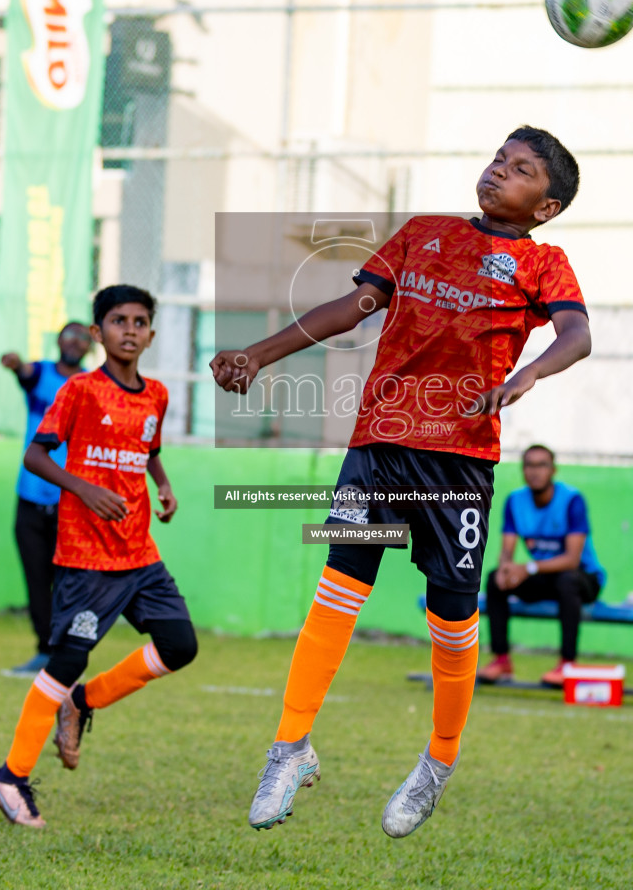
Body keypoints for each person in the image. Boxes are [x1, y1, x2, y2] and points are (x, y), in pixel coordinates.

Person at [214, 126, 592, 838]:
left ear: (546, 207)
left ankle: (438, 763)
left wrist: (530, 372)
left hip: (459, 465)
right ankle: (289, 747)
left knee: (450, 624)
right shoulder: (423, 234)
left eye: (520, 172)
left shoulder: (543, 263)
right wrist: (258, 354)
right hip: (378, 445)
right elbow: (348, 308)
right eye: (496, 160)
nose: (497, 174)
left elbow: (577, 334)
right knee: (337, 591)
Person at [0, 285, 193, 829]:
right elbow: (35, 454)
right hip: (86, 556)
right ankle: (10, 777)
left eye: (140, 321)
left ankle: (84, 702)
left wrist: (163, 486)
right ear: (99, 333)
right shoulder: (80, 390)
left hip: (140, 552)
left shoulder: (157, 395)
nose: (130, 329)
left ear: (150, 333)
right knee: (66, 659)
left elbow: (149, 450)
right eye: (118, 320)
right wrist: (82, 488)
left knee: (179, 645)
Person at [0, 322, 93, 673]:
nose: (74, 342)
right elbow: (24, 372)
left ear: (89, 347)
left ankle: (65, 652)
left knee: (68, 583)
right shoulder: (39, 373)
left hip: (69, 502)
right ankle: (44, 650)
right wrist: (15, 364)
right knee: (37, 580)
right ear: (58, 341)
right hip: (29, 498)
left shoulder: (89, 385)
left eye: (82, 338)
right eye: (69, 335)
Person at [477, 444, 606, 687]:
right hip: (545, 578)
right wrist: (506, 569)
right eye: (529, 465)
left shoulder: (572, 500)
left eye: (541, 465)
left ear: (553, 470)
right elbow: (507, 550)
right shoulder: (515, 501)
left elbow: (572, 559)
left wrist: (527, 569)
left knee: (568, 580)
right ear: (523, 470)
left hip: (583, 578)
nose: (535, 471)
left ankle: (567, 664)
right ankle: (501, 660)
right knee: (495, 580)